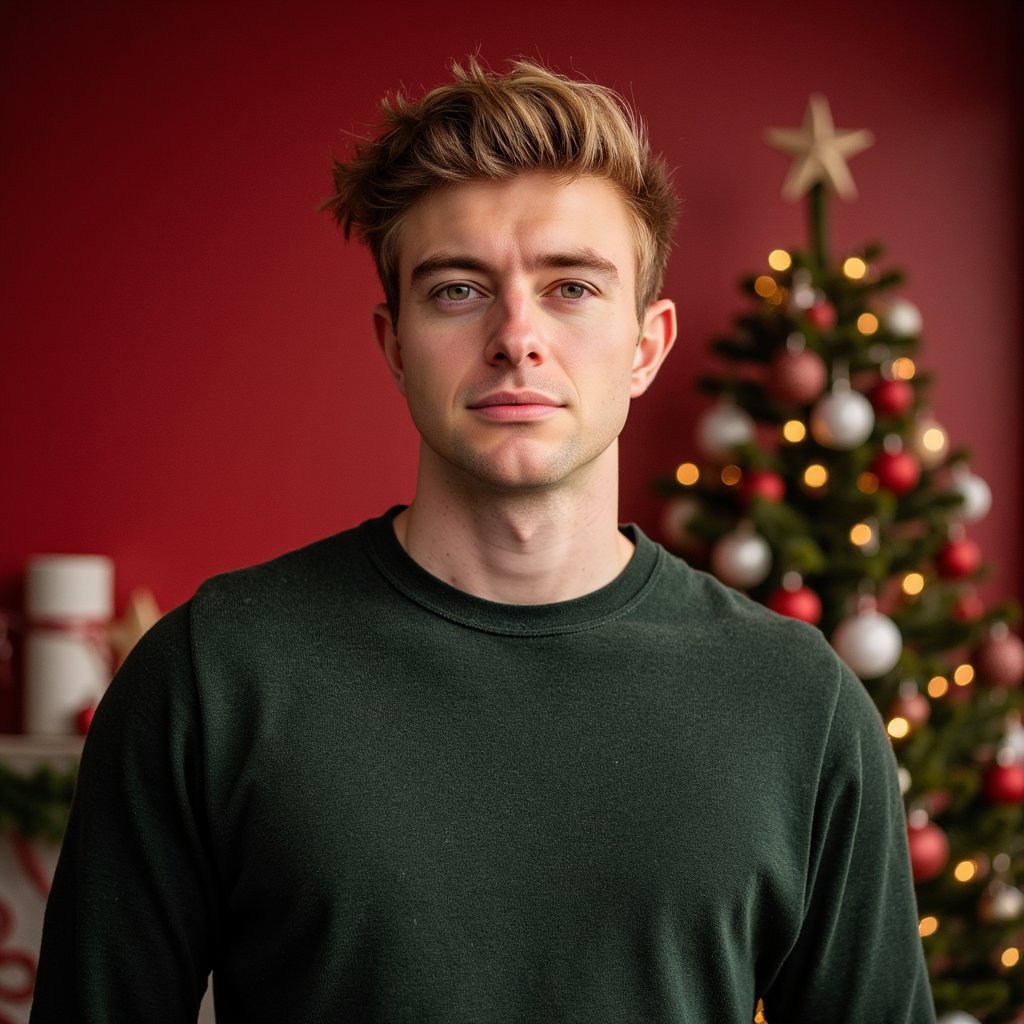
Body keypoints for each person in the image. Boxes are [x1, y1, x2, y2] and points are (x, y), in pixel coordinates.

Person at [31, 58, 935, 1023]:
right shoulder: (213, 673)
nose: (516, 336)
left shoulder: (799, 703)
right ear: (393, 343)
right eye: (458, 290)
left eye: (573, 288)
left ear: (647, 344)